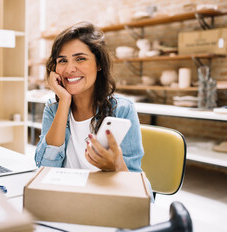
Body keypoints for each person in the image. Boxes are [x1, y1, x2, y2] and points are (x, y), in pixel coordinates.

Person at [34, 21, 144, 174]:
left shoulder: (122, 109)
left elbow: (134, 182)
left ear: (99, 63)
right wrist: (64, 101)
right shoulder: (53, 108)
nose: (70, 69)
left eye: (80, 58)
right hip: (65, 193)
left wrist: (115, 165)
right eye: (62, 60)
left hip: (103, 195)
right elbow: (45, 168)